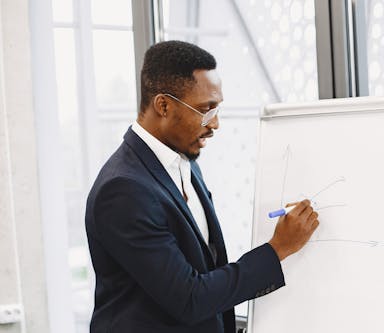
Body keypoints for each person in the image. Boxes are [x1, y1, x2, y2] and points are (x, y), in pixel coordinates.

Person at [85, 40, 319, 333]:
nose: (215, 123)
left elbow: (205, 264)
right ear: (163, 105)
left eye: (218, 109)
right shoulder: (122, 190)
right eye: (206, 110)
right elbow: (189, 298)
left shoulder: (184, 160)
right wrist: (278, 248)